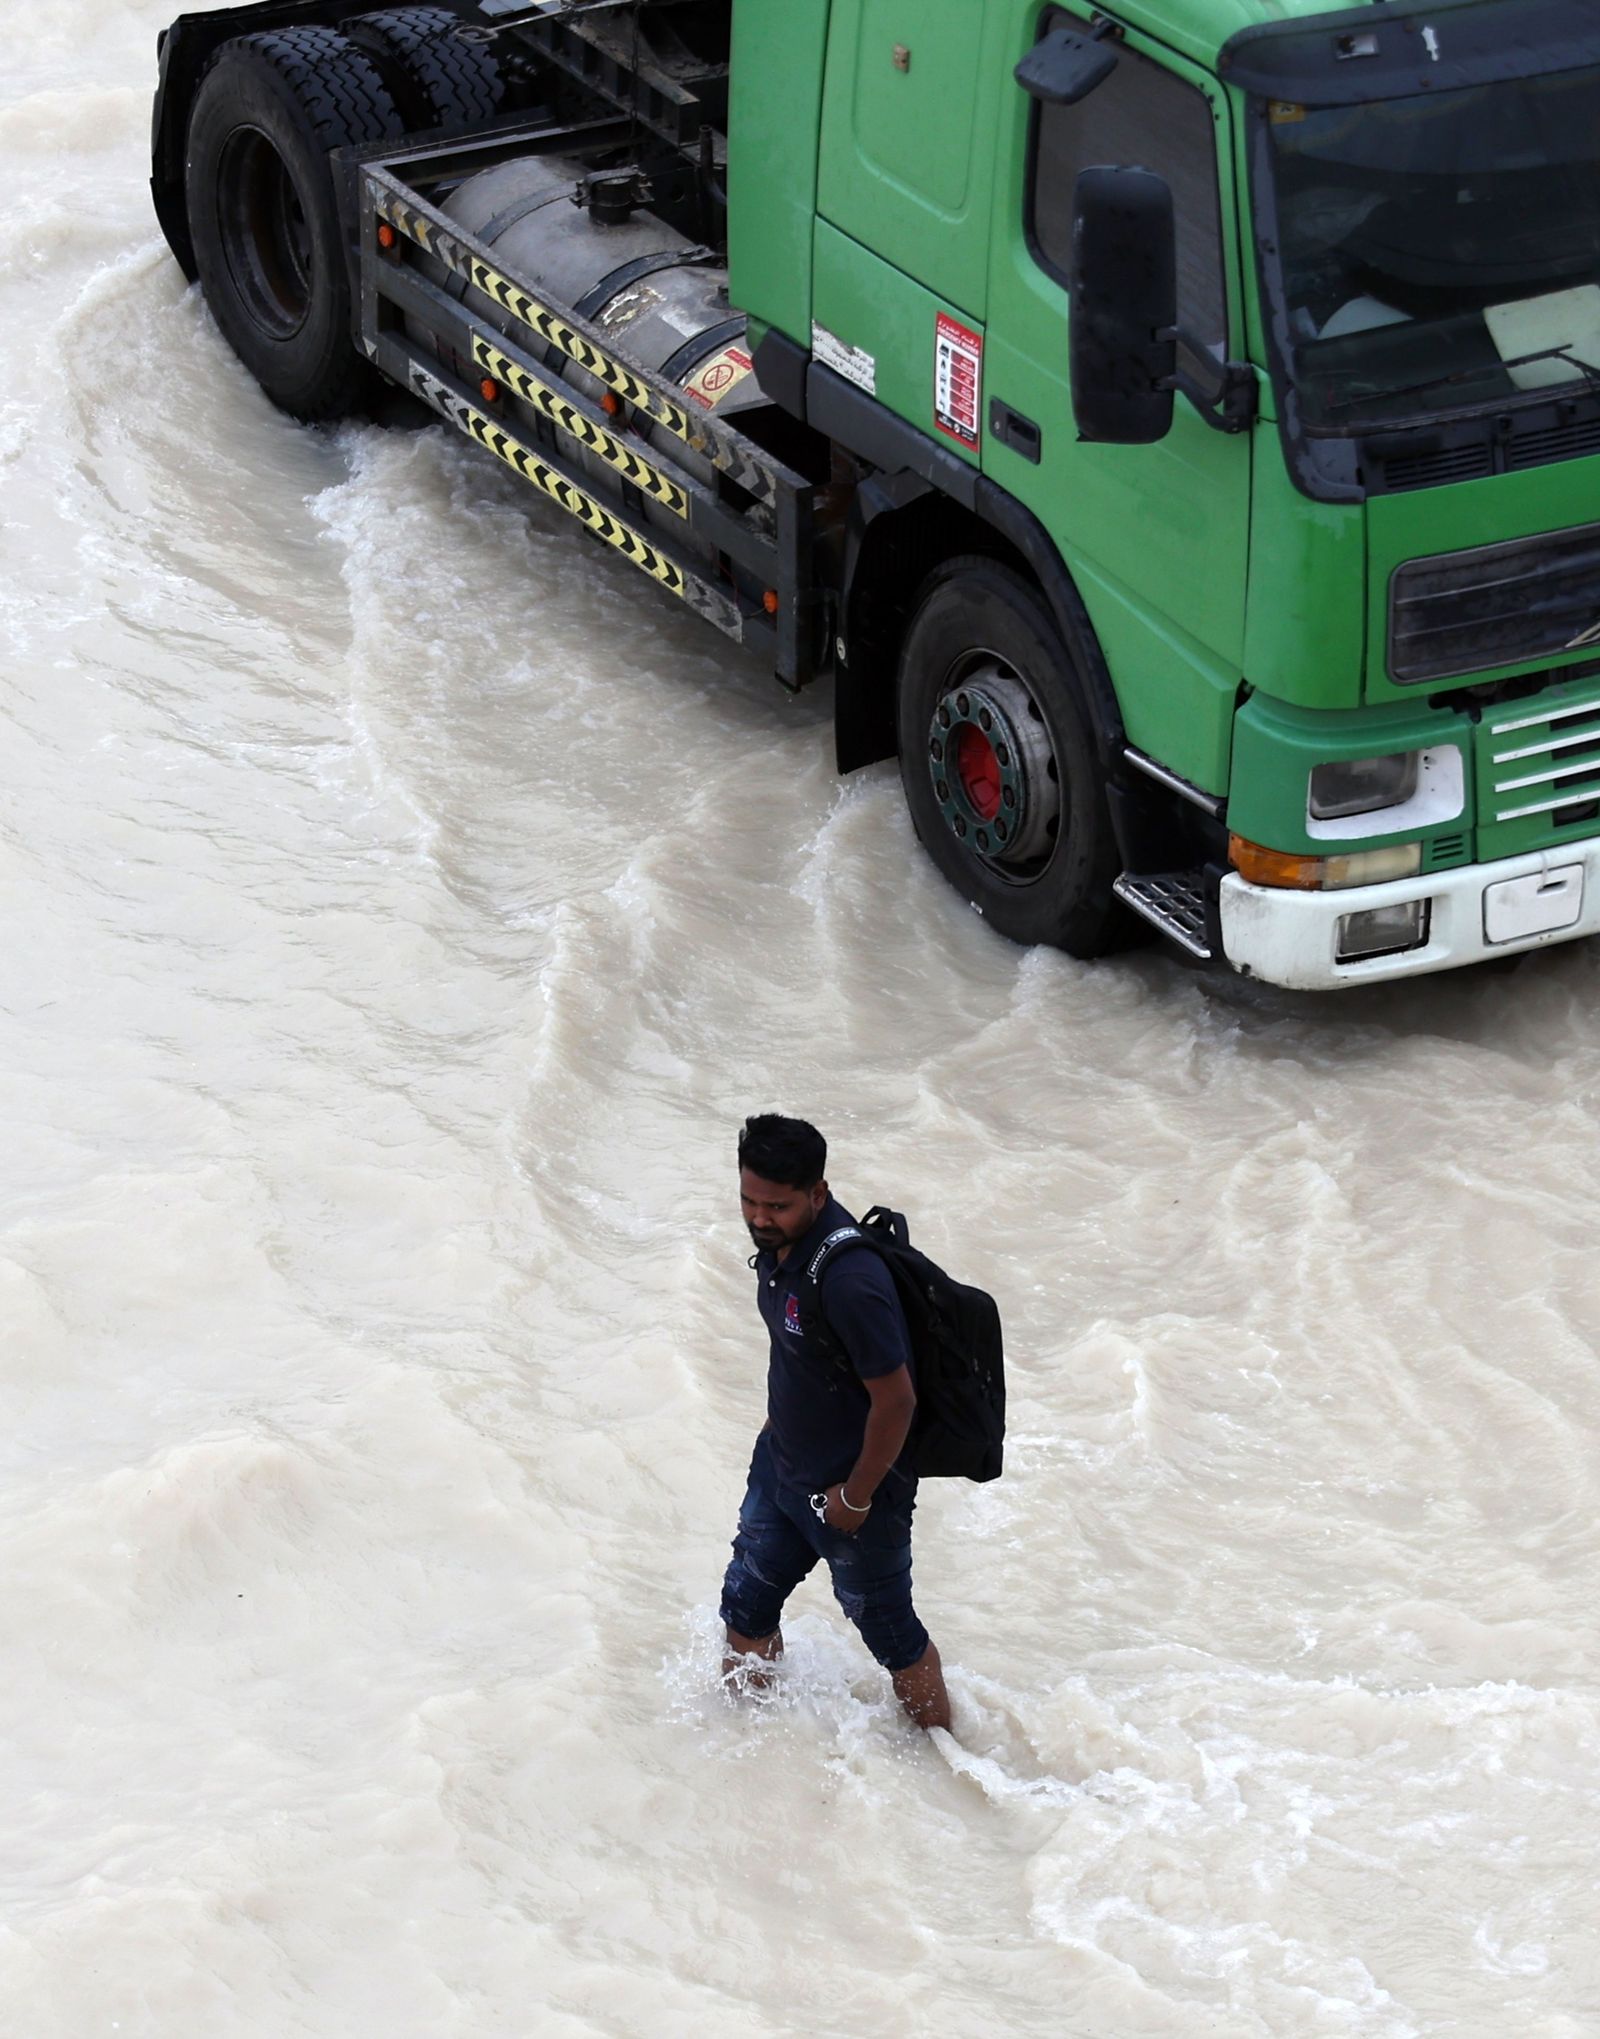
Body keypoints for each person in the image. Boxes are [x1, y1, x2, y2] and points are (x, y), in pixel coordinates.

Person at [719, 1113, 951, 1732]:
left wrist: (855, 1496)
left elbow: (897, 1401)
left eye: (778, 1206)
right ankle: (752, 1748)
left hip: (852, 1498)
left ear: (819, 1194)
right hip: (781, 1470)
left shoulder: (850, 1280)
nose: (760, 1218)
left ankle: (948, 1763)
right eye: (748, 1200)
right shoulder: (778, 1246)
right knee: (745, 1609)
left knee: (893, 1637)